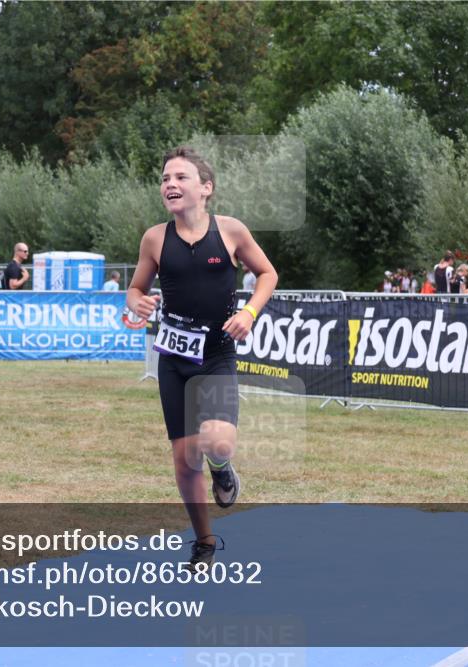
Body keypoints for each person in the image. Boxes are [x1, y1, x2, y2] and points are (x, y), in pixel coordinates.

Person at [126, 146, 277, 571]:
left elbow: (268, 274)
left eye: (180, 177)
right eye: (165, 178)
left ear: (206, 188)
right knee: (184, 459)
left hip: (216, 353)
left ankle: (223, 469)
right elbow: (135, 289)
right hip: (174, 358)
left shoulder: (230, 231)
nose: (169, 184)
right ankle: (205, 542)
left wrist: (249, 313)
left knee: (218, 441)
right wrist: (137, 302)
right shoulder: (155, 238)